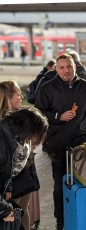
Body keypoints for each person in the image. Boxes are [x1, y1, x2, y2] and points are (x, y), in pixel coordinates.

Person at [35, 54, 86, 230]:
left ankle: (82, 218)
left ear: (74, 67)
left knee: (84, 184)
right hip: (57, 145)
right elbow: (39, 114)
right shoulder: (47, 88)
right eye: (62, 67)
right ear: (56, 69)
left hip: (83, 146)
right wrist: (58, 116)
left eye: (69, 66)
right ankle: (61, 221)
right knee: (60, 185)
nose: (66, 70)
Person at [0, 81, 41, 230]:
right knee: (14, 213)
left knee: (22, 210)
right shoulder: (5, 124)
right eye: (18, 94)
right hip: (12, 178)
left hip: (24, 174)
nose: (21, 97)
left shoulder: (19, 116)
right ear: (7, 97)